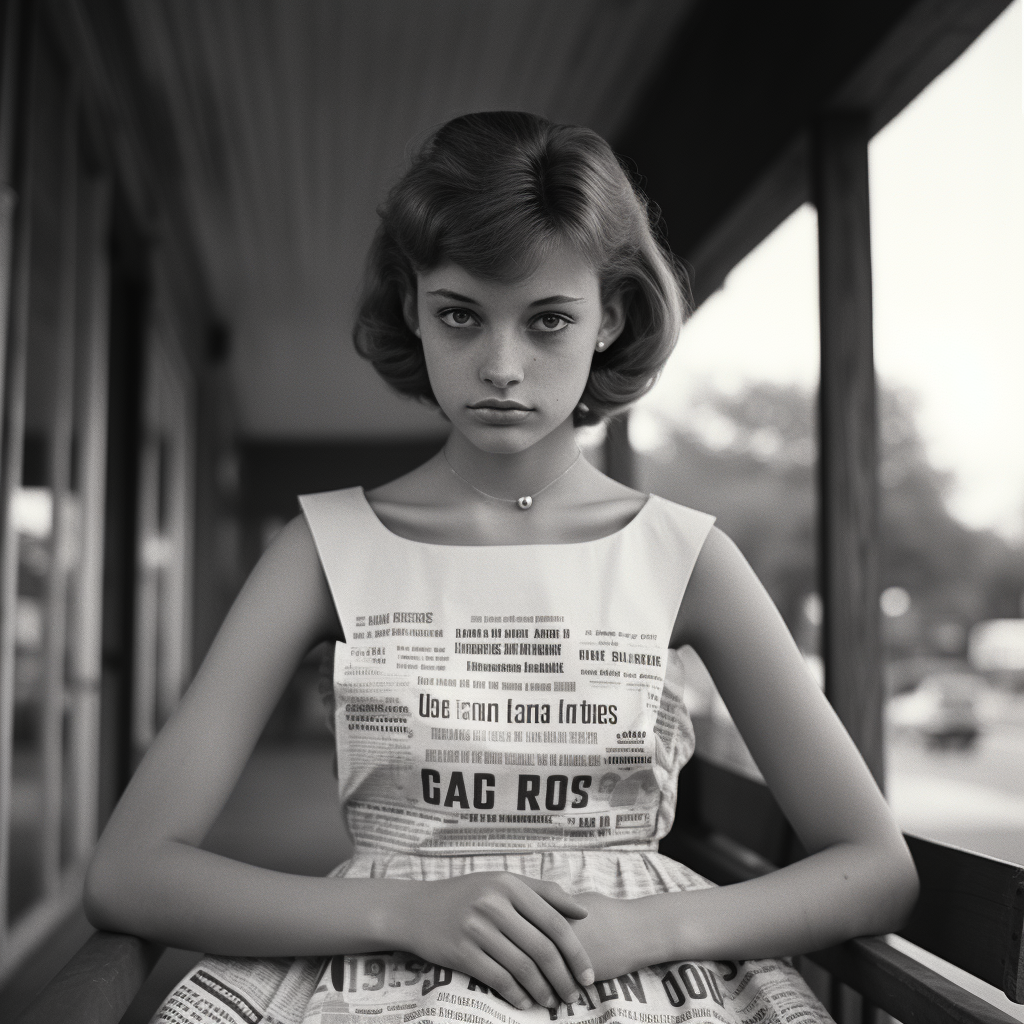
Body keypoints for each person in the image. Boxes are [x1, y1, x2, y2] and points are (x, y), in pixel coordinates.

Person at [85, 111, 919, 1024]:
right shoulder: (320, 550)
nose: (502, 366)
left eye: (549, 320)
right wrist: (402, 909)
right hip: (376, 976)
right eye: (460, 315)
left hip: (638, 984)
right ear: (412, 308)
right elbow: (131, 870)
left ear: (613, 319)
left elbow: (874, 866)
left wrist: (642, 928)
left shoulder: (686, 557)